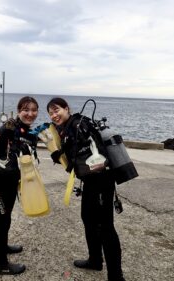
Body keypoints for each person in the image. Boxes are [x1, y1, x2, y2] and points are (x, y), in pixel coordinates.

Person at [46, 97, 126, 281]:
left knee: (105, 227)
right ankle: (95, 260)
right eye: (50, 112)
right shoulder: (71, 127)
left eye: (57, 110)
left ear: (67, 108)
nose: (54, 115)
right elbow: (77, 164)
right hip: (91, 181)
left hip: (101, 180)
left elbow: (82, 160)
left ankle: (116, 276)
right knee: (88, 219)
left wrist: (59, 153)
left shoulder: (77, 126)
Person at [0, 96, 39, 275]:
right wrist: (5, 129)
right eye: (26, 110)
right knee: (2, 223)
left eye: (33, 110)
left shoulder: (25, 131)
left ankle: (4, 247)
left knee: (5, 220)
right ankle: (2, 266)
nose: (30, 113)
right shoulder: (10, 128)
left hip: (10, 185)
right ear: (18, 111)